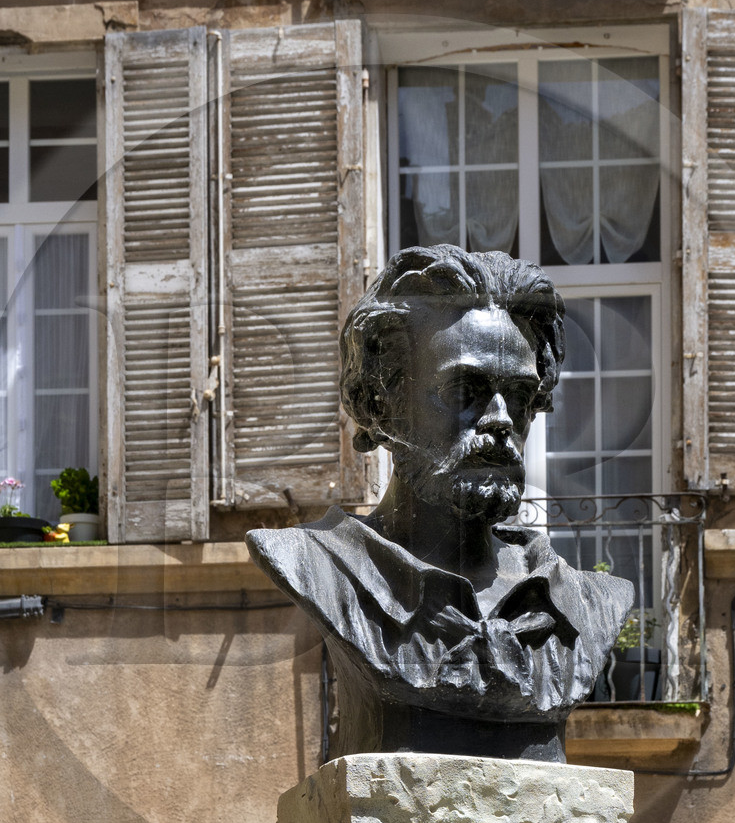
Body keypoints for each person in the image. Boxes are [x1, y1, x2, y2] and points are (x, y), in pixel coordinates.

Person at [248, 245, 633, 759]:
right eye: (464, 391)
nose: (500, 420)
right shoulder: (316, 567)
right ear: (382, 404)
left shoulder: (584, 603)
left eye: (518, 397)